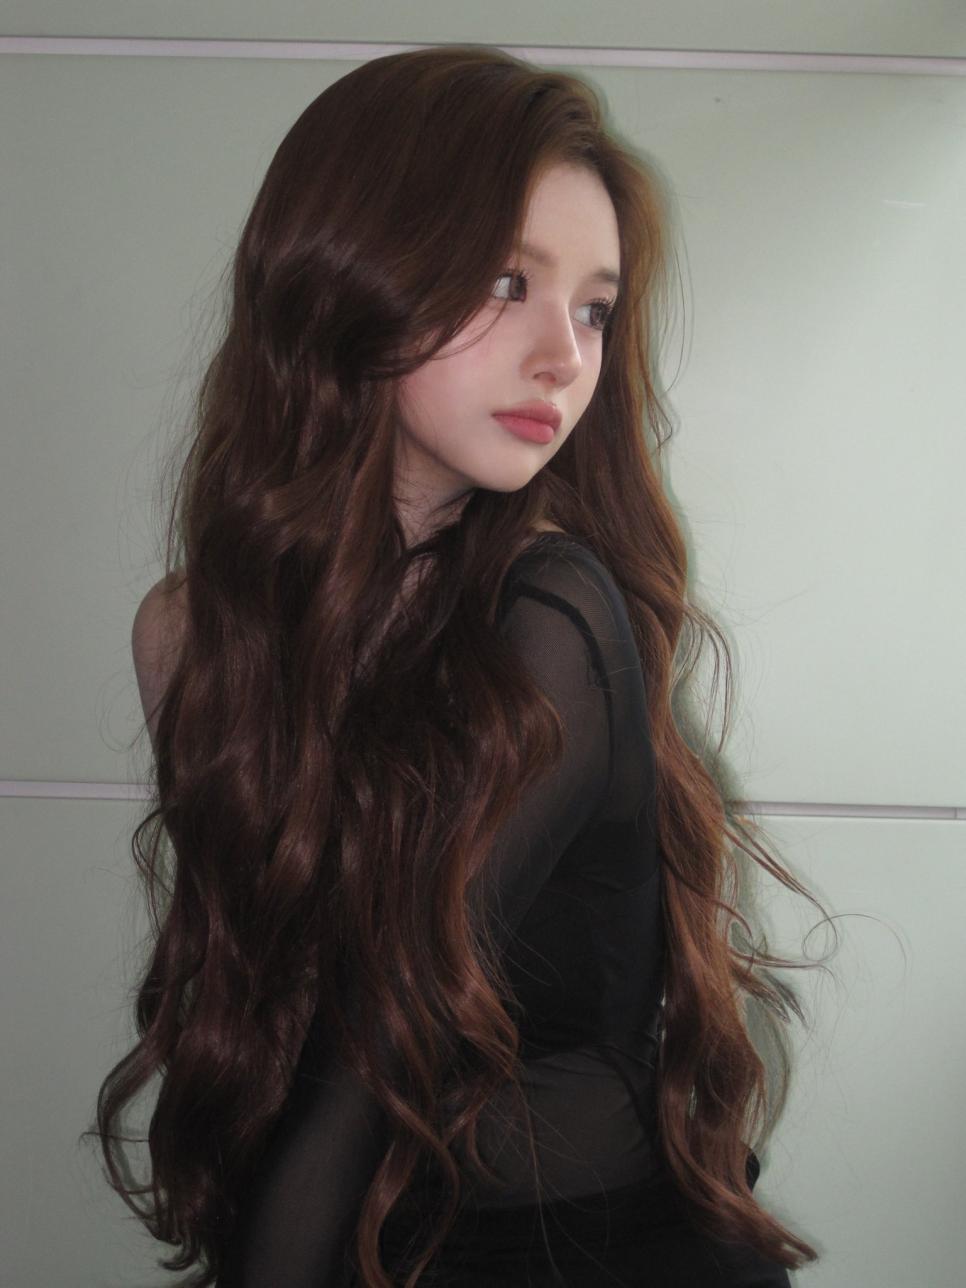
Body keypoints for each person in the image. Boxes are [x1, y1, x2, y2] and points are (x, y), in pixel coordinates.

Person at [90, 43, 833, 1287]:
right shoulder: (192, 635)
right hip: (356, 1237)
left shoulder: (554, 615)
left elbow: (373, 1041)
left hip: (586, 1258)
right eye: (506, 281)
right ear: (345, 274)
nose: (566, 356)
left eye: (594, 307)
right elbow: (267, 1016)